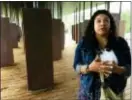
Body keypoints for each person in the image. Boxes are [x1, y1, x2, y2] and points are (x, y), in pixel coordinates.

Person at [73, 9, 131, 100]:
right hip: (89, 93)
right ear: (93, 25)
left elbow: (129, 69)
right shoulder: (84, 43)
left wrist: (118, 69)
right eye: (98, 21)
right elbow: (76, 66)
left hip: (114, 92)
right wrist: (89, 68)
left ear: (110, 24)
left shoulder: (121, 43)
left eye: (106, 20)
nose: (102, 23)